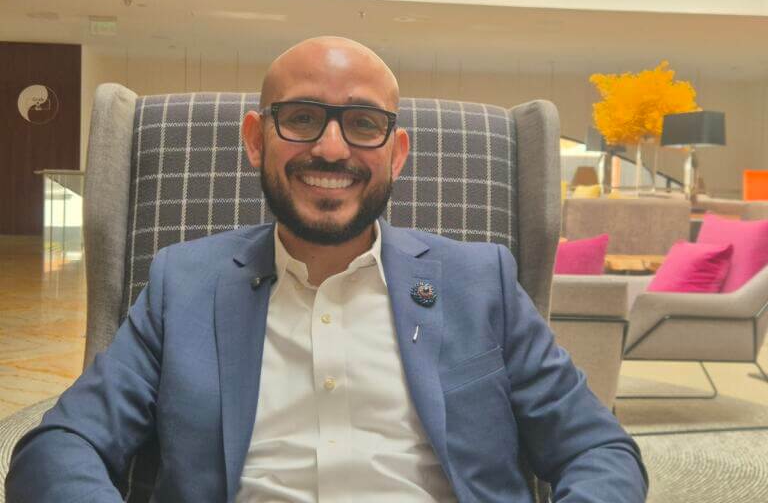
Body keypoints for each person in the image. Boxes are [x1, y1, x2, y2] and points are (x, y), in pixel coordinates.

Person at [6, 37, 647, 502]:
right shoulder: (184, 284)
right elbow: (60, 447)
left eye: (363, 123)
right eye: (302, 118)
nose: (331, 148)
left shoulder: (481, 282)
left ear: (397, 154)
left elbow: (599, 449)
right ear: (255, 138)